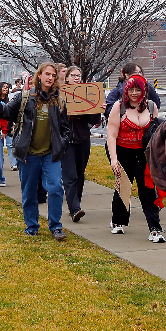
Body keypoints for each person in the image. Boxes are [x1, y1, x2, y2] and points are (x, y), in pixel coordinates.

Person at [0, 62, 71, 241]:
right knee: (29, 191)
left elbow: (65, 129)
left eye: (53, 75)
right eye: (47, 74)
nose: (50, 78)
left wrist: (62, 143)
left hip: (51, 154)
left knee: (56, 188)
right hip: (28, 154)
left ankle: (55, 227)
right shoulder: (24, 98)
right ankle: (31, 226)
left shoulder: (59, 101)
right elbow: (6, 113)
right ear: (39, 76)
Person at [106, 74, 164, 242]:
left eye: (138, 89)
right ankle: (118, 221)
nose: (134, 93)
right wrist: (114, 159)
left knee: (147, 191)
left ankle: (155, 228)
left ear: (144, 90)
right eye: (131, 89)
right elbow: (111, 134)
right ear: (126, 90)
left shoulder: (151, 106)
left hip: (145, 155)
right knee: (123, 188)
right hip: (123, 152)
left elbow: (156, 132)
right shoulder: (119, 107)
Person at [61, 66, 100, 222]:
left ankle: (75, 202)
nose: (77, 78)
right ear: (67, 78)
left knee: (80, 174)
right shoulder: (60, 96)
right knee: (70, 176)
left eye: (79, 75)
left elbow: (94, 121)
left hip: (83, 140)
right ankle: (75, 208)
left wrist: (97, 109)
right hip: (66, 141)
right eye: (73, 75)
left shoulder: (86, 94)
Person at [0, 82, 19, 171]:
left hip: (9, 125)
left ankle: (14, 163)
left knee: (10, 145)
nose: (5, 89)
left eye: (7, 87)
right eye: (4, 87)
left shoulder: (10, 99)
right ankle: (0, 164)